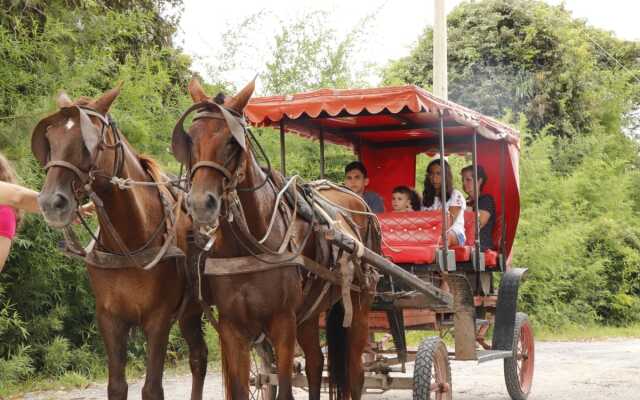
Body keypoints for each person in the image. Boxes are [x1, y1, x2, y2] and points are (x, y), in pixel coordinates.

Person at [0, 152, 93, 272]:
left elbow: (18, 197)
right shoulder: (5, 213)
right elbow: (18, 197)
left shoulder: (4, 213)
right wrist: (68, 211)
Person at [422, 158, 466, 247]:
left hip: (454, 233)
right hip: (429, 233)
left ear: (446, 176)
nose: (434, 178)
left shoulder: (455, 195)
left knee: (443, 237)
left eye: (439, 174)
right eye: (431, 174)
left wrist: (429, 234)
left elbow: (448, 223)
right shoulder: (425, 197)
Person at [461, 165, 495, 251]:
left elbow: (477, 225)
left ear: (479, 181)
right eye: (463, 180)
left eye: (468, 180)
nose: (464, 183)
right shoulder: (464, 202)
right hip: (465, 243)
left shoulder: (486, 200)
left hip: (480, 246)